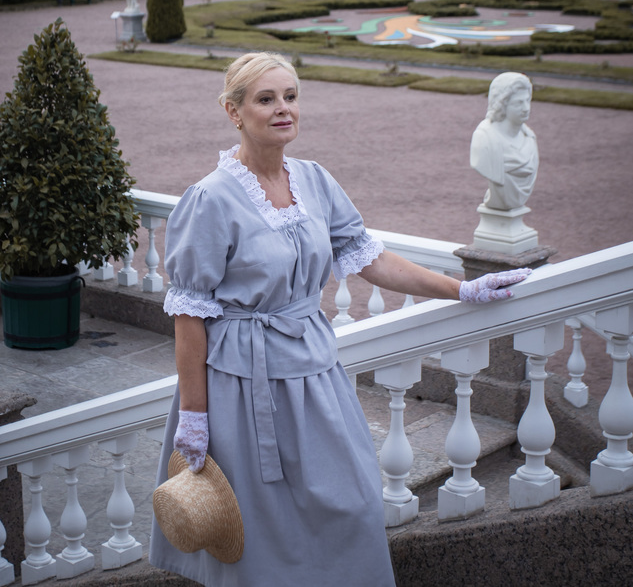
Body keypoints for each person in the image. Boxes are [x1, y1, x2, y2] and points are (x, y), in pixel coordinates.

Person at [150, 52, 529, 587]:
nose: (283, 109)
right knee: (264, 530)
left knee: (353, 504)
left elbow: (371, 258)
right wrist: (194, 416)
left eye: (290, 96)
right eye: (266, 99)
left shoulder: (315, 180)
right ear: (234, 112)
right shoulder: (209, 199)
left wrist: (460, 287)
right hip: (240, 387)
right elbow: (190, 313)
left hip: (315, 375)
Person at [470, 72, 538, 211]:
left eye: (527, 101)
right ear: (502, 105)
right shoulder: (485, 138)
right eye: (518, 103)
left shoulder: (529, 138)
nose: (526, 108)